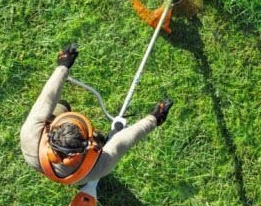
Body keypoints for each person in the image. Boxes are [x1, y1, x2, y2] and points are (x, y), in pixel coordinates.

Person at [20, 41, 171, 186]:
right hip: (81, 175)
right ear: (85, 145)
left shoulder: (29, 135)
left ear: (52, 133)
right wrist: (154, 119)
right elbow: (123, 140)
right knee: (100, 139)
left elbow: (47, 99)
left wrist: (63, 66)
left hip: (43, 161)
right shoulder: (99, 166)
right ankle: (99, 141)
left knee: (61, 105)